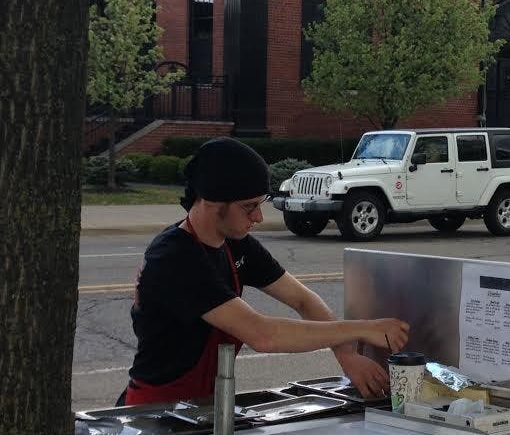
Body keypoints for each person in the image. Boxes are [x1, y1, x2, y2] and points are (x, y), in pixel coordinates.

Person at [121, 137, 409, 406]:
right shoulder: (174, 258)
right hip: (153, 408)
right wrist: (365, 328)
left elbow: (303, 300)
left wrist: (346, 355)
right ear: (211, 202)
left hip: (203, 404)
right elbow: (263, 334)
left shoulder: (236, 245)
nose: (258, 217)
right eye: (249, 208)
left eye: (260, 205)